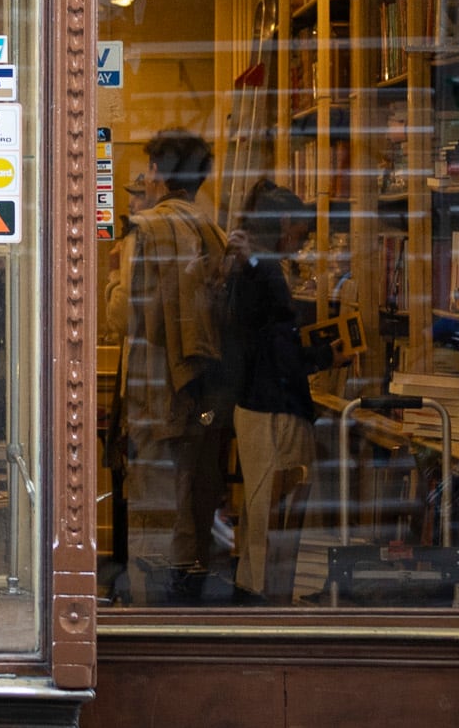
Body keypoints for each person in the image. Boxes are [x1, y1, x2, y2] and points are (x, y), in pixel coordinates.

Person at [98, 128, 234, 602]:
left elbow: (121, 319)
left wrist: (114, 276)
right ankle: (187, 592)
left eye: (148, 170)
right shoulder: (212, 230)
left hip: (152, 394)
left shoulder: (147, 230)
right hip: (203, 391)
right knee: (192, 499)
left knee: (152, 511)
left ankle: (151, 604)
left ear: (157, 173)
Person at [224, 182, 320, 602]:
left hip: (252, 403)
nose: (301, 245)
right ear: (283, 223)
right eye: (300, 233)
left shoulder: (248, 267)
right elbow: (279, 351)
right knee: (276, 510)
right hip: (274, 408)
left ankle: (254, 589)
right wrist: (322, 357)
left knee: (258, 509)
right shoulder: (266, 271)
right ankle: (270, 600)